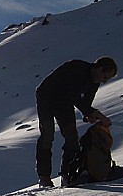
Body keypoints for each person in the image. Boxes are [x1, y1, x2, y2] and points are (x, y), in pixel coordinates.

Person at [35, 57, 118, 187]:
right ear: (99, 69)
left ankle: (66, 174)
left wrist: (89, 115)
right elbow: (73, 95)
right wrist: (95, 113)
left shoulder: (93, 83)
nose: (104, 81)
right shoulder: (77, 68)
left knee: (72, 138)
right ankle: (44, 177)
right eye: (105, 77)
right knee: (47, 135)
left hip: (64, 103)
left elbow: (85, 104)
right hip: (46, 97)